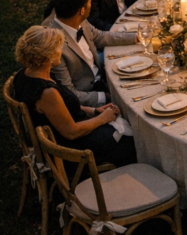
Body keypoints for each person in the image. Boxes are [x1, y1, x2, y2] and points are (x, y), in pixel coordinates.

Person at [12, 26, 137, 167]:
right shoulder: (47, 93)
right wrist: (102, 119)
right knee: (132, 140)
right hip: (70, 151)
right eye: (59, 48)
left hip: (71, 128)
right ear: (50, 55)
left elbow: (61, 108)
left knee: (125, 126)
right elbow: (72, 132)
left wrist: (95, 111)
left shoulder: (25, 74)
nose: (62, 51)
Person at [42, 0, 137, 106]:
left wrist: (137, 36)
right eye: (90, 2)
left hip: (104, 78)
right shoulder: (54, 45)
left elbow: (101, 37)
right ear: (82, 10)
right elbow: (69, 92)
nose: (90, 6)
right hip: (89, 98)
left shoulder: (79, 20)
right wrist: (105, 97)